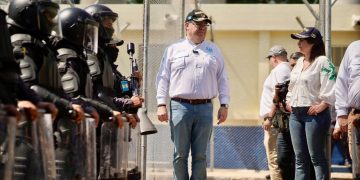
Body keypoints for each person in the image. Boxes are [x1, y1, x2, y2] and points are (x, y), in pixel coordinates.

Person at [156, 9, 230, 180]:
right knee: (180, 154)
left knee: (200, 156)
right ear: (187, 26)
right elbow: (163, 78)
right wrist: (161, 104)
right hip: (180, 107)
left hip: (205, 108)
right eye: (198, 24)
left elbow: (223, 79)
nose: (202, 28)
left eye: (205, 24)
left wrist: (224, 105)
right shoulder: (173, 50)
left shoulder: (214, 50)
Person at [288, 27, 336, 180]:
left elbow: (331, 83)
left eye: (302, 40)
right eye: (299, 40)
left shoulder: (322, 61)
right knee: (300, 158)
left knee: (316, 157)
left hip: (314, 114)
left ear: (313, 42)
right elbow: (292, 86)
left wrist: (323, 105)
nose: (299, 43)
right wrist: (289, 101)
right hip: (295, 114)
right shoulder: (299, 61)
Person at [260, 45, 291, 180]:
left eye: (270, 58)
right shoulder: (286, 69)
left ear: (274, 58)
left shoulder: (280, 70)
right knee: (274, 152)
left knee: (272, 153)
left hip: (274, 118)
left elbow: (278, 95)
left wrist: (269, 117)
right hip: (275, 117)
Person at [335, 40, 360, 179]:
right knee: (358, 168)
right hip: (357, 116)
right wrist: (342, 114)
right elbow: (342, 81)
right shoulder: (354, 47)